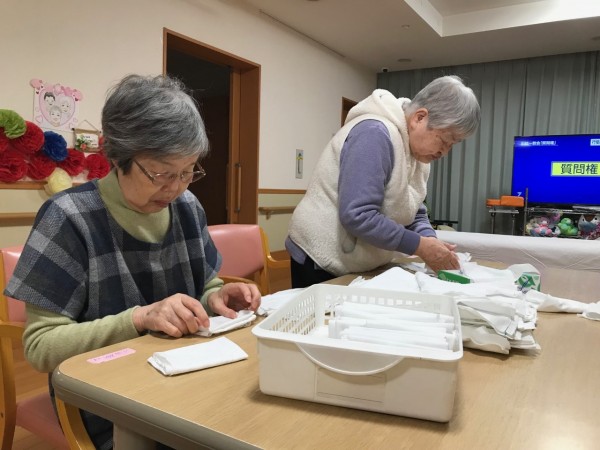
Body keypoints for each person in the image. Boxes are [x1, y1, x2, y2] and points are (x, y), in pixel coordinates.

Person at [5, 74, 261, 449]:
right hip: (105, 400)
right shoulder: (69, 217)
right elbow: (41, 347)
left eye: (188, 171)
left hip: (184, 375)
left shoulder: (188, 207)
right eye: (161, 173)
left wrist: (217, 297)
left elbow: (206, 284)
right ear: (118, 155)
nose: (175, 187)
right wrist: (140, 318)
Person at [286, 75, 480, 288]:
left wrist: (429, 240)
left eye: (452, 145)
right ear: (419, 118)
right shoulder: (374, 134)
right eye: (444, 141)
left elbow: (414, 210)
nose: (445, 152)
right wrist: (420, 246)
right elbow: (358, 215)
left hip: (357, 260)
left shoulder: (418, 155)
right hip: (319, 256)